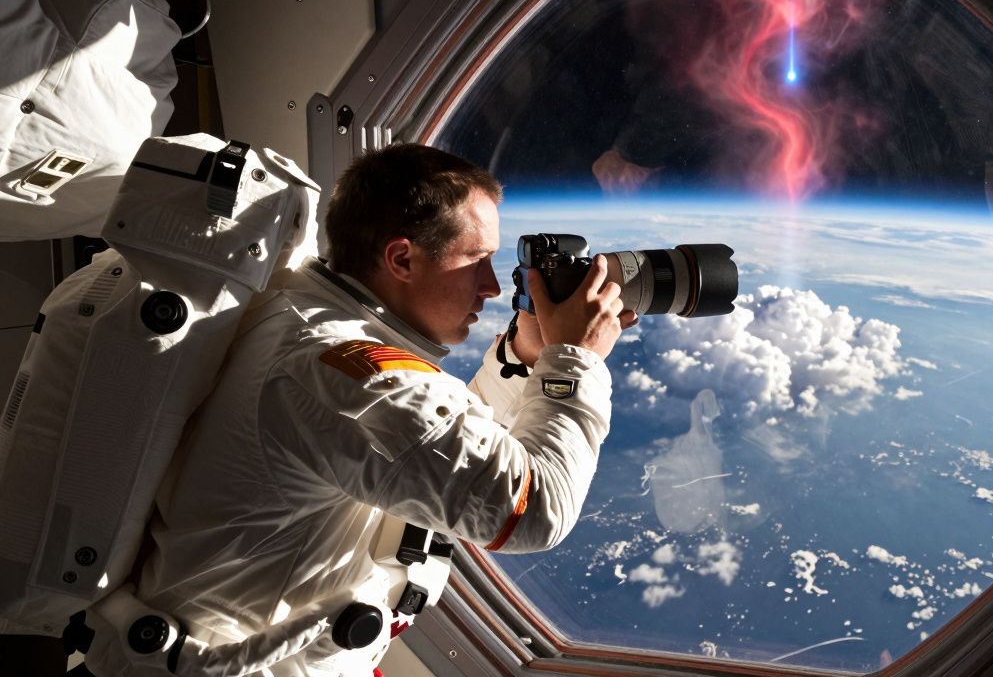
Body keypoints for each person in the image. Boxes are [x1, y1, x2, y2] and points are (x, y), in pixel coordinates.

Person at [118, 143, 635, 676]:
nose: (492, 286)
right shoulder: (342, 372)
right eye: (476, 260)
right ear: (402, 259)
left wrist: (524, 359)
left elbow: (426, 443)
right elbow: (531, 512)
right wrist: (576, 360)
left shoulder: (303, 318)